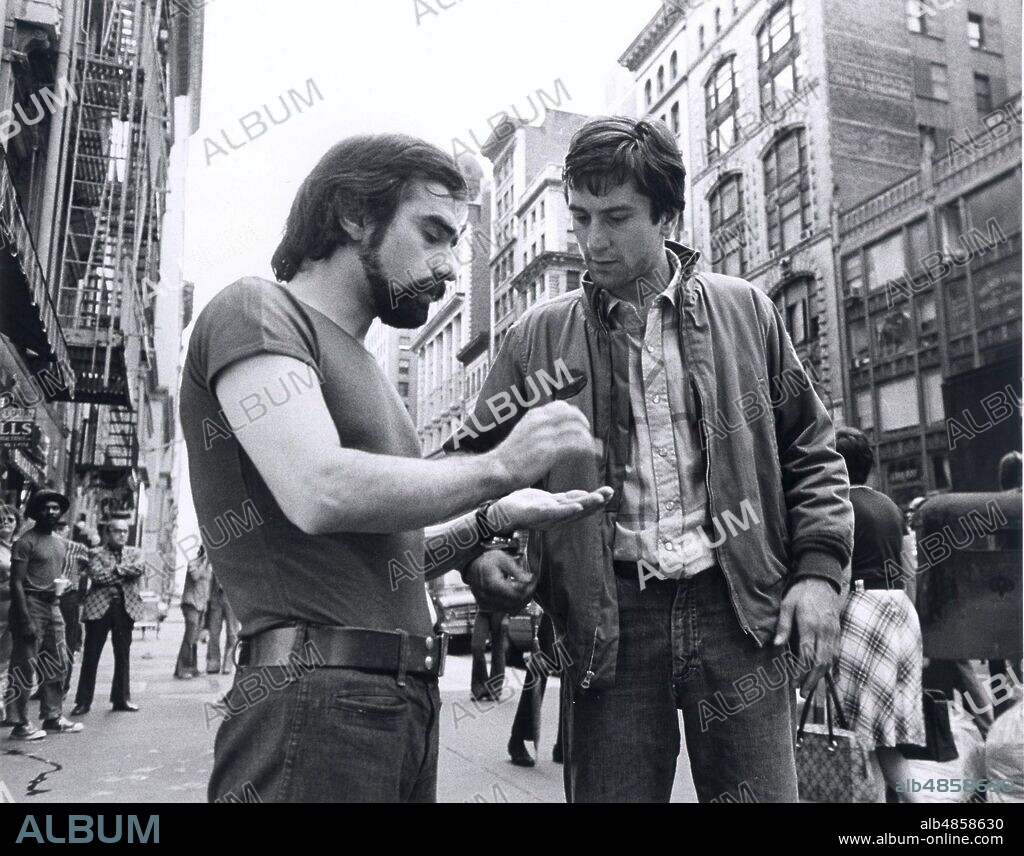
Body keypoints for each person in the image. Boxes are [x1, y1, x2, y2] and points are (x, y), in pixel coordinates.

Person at [179, 133, 612, 803]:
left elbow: (387, 557)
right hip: (312, 697)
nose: (446, 267)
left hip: (397, 702)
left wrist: (489, 525)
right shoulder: (257, 309)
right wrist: (503, 466)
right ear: (355, 214)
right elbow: (318, 489)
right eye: (432, 234)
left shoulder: (372, 375)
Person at [455, 117, 854, 803]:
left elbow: (811, 451)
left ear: (667, 215)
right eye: (580, 217)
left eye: (616, 217)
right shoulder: (536, 338)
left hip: (739, 612)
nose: (592, 240)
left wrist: (818, 573)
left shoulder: (748, 313)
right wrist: (476, 547)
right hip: (610, 623)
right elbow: (468, 466)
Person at [831, 426, 925, 802]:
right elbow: (910, 569)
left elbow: (842, 571)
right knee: (886, 735)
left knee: (863, 736)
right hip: (900, 612)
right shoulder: (890, 506)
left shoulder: (839, 506)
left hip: (861, 612)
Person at [8, 490, 83, 739]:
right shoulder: (25, 541)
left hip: (53, 604)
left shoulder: (60, 543)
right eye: (45, 508)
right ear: (35, 511)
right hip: (30, 605)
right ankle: (19, 723)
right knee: (24, 665)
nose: (51, 512)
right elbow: (16, 582)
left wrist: (63, 587)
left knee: (58, 660)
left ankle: (53, 716)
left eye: (55, 508)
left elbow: (55, 574)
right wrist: (25, 618)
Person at [71, 519, 145, 714]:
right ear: (107, 533)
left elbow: (139, 569)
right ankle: (83, 701)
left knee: (123, 655)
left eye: (125, 531)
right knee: (91, 655)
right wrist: (124, 573)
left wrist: (113, 571)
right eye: (117, 531)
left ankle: (121, 699)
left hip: (125, 608)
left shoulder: (135, 552)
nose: (121, 535)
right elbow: (97, 576)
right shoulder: (94, 553)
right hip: (99, 608)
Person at [507, 610, 564, 767]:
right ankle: (518, 738)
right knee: (541, 664)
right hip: (554, 600)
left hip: (582, 600)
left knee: (573, 666)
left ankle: (565, 743)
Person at [175, 546, 211, 679]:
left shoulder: (209, 568)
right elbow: (195, 577)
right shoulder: (193, 564)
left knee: (194, 638)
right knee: (189, 638)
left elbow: (207, 588)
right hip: (191, 604)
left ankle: (192, 668)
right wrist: (205, 561)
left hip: (201, 606)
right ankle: (182, 669)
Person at [0, 505, 19, 726]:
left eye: (10, 519)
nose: (5, 523)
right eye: (1, 519)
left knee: (6, 657)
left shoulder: (18, 546)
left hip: (14, 608)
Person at [204, 569, 240, 675]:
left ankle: (228, 665)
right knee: (214, 633)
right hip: (216, 597)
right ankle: (213, 663)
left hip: (232, 599)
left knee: (232, 634)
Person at [470, 609, 507, 701]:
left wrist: (507, 616)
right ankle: (479, 687)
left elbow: (512, 595)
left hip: (500, 610)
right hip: (482, 610)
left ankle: (495, 689)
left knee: (498, 649)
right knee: (477, 646)